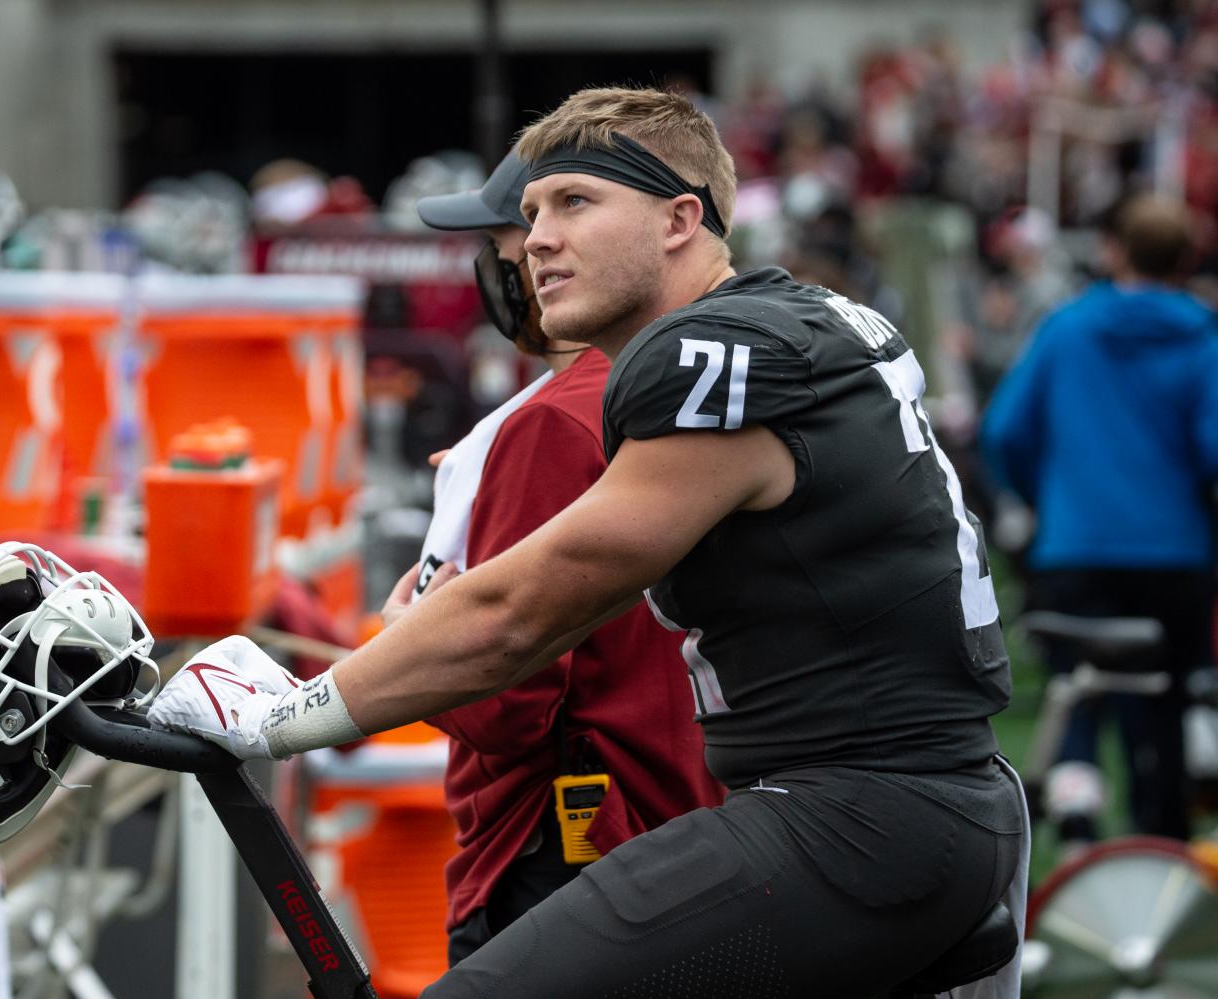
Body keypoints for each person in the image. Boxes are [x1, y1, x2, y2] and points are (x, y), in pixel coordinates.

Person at [150, 86, 1026, 998]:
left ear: (680, 218)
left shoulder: (704, 356)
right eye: (529, 214)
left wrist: (282, 715)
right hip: (907, 799)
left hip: (855, 812)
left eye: (573, 202)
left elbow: (523, 612)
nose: (534, 240)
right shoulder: (799, 321)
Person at [383, 149, 721, 964]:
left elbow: (502, 695)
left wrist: (405, 633)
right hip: (704, 829)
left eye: (548, 221)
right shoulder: (698, 379)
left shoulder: (556, 421)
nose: (521, 256)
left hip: (570, 847)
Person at [982, 193, 1218, 846]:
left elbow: (1003, 430)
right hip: (1175, 554)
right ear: (1185, 257)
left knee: (1074, 690)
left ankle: (1077, 818)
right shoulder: (1202, 335)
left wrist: (1044, 499)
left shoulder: (1065, 328)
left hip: (1074, 549)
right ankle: (1163, 849)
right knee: (1165, 706)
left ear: (1113, 251)